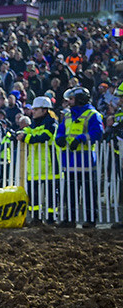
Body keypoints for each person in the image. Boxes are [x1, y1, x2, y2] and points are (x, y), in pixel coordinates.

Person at [55, 86, 102, 227]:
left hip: (86, 161)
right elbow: (61, 130)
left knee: (89, 194)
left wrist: (81, 138)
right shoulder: (68, 115)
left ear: (80, 99)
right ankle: (69, 219)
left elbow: (97, 133)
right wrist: (60, 138)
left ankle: (90, 220)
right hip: (69, 161)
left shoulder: (93, 114)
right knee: (69, 193)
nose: (69, 101)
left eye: (72, 98)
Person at [15, 96, 59, 225]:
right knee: (33, 195)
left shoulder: (51, 123)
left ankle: (51, 219)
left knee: (51, 196)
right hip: (34, 166)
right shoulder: (34, 123)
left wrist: (26, 138)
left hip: (50, 165)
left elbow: (44, 137)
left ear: (44, 110)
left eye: (36, 109)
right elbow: (26, 131)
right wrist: (19, 134)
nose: (33, 111)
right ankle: (36, 218)